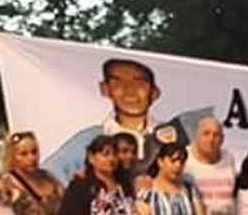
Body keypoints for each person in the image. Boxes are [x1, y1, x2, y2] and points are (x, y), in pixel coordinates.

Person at [42, 57, 190, 182]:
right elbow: (48, 177)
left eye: (139, 83)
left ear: (155, 92)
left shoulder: (173, 135)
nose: (129, 91)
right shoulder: (89, 139)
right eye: (118, 83)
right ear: (105, 89)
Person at [184, 117, 236, 215]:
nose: (211, 139)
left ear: (222, 139)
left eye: (216, 135)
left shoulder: (228, 158)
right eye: (206, 133)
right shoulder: (184, 158)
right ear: (196, 135)